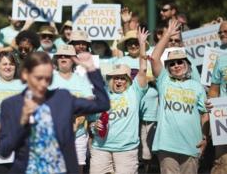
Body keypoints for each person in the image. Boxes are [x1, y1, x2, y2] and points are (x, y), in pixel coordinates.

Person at [0, 51, 110, 173]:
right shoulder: (11, 104)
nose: (43, 84)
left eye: (48, 79)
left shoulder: (62, 98)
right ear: (25, 74)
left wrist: (92, 69)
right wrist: (22, 122)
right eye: (38, 78)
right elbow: (4, 150)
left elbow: (102, 104)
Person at [150, 20, 209, 174]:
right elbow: (155, 58)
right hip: (167, 145)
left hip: (191, 145)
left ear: (187, 65)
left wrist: (205, 138)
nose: (176, 65)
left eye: (180, 62)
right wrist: (167, 34)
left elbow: (204, 115)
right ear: (168, 67)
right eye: (172, 63)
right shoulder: (164, 81)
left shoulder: (197, 87)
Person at [88, 27, 149, 174]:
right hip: (100, 148)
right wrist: (93, 126)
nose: (119, 81)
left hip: (126, 150)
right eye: (116, 78)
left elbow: (143, 69)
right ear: (110, 80)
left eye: (123, 78)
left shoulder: (135, 91)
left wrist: (142, 44)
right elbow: (91, 122)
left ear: (128, 80)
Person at [49, 45, 94, 173]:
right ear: (56, 59)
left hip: (78, 135)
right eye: (60, 55)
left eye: (67, 56)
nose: (63, 57)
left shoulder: (82, 80)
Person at [208, 21, 227, 174]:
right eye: (220, 32)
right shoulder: (221, 60)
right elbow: (213, 90)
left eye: (226, 31)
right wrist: (211, 108)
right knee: (222, 164)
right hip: (224, 119)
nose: (222, 35)